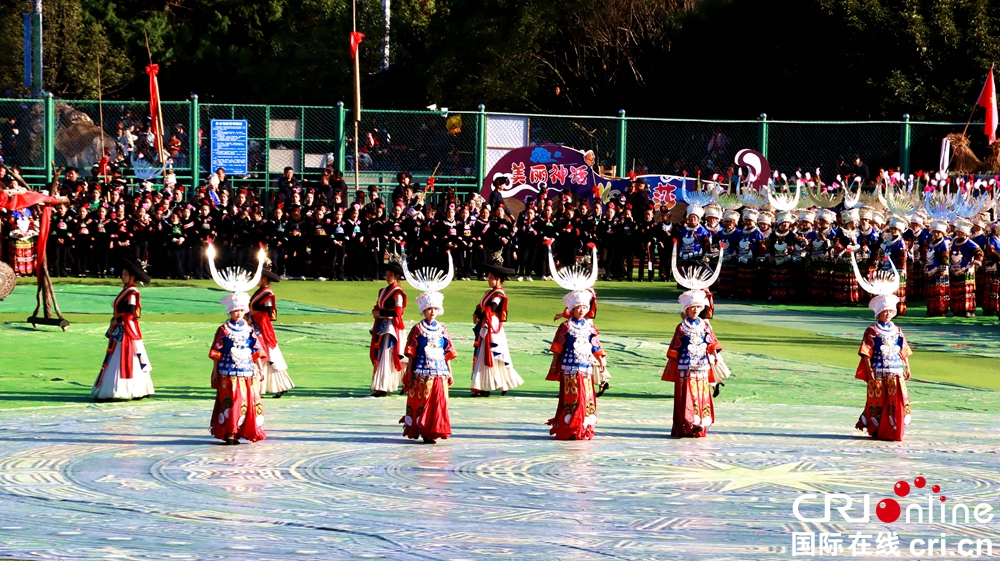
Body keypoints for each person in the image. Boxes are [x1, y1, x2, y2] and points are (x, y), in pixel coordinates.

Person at [207, 245, 267, 445]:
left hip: (246, 371)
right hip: (227, 372)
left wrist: (259, 368)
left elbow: (256, 349)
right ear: (230, 312)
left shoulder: (249, 330)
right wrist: (215, 370)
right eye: (235, 311)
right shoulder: (223, 330)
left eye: (241, 310)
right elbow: (217, 352)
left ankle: (241, 430)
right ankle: (229, 432)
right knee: (230, 401)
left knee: (245, 402)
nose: (239, 314)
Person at [852, 253, 912, 442]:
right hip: (878, 369)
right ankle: (878, 428)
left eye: (889, 312)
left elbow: (903, 348)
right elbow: (866, 352)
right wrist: (869, 370)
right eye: (884, 312)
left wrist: (907, 366)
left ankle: (894, 428)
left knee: (896, 400)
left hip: (895, 369)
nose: (887, 315)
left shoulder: (897, 329)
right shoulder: (872, 330)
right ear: (878, 313)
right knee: (877, 400)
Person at [399, 255, 457, 444]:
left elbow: (446, 353)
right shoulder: (417, 329)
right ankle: (423, 429)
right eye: (429, 308)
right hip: (422, 373)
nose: (432, 311)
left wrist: (450, 372)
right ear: (423, 310)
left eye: (435, 309)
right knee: (422, 403)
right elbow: (412, 353)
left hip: (439, 372)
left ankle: (434, 430)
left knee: (438, 404)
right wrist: (409, 372)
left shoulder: (442, 329)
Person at [661, 289, 725, 438]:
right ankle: (689, 423)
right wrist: (672, 364)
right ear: (687, 309)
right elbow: (675, 348)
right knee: (688, 394)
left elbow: (711, 342)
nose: (695, 310)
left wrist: (715, 356)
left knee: (701, 393)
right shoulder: (682, 327)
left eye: (698, 307)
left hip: (702, 365)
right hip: (686, 366)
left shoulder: (705, 325)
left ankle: (700, 424)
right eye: (692, 307)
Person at [92, 259, 155, 401]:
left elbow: (131, 312)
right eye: (122, 274)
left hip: (127, 329)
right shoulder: (126, 290)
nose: (122, 276)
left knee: (128, 358)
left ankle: (125, 389)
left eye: (125, 274)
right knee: (124, 358)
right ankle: (135, 388)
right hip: (122, 328)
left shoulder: (132, 293)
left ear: (132, 277)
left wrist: (118, 320)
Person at [470, 264, 524, 397]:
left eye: (491, 278)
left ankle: (484, 387)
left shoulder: (499, 294)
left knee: (490, 353)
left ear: (498, 279)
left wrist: (481, 315)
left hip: (492, 326)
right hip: (486, 323)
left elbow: (492, 307)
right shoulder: (489, 292)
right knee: (488, 354)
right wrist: (476, 313)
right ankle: (496, 384)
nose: (488, 280)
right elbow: (481, 305)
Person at [251, 268, 294, 398]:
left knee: (267, 354)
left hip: (263, 326)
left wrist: (255, 312)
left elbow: (270, 312)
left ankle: (279, 385)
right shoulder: (260, 292)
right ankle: (265, 386)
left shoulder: (267, 293)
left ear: (264, 279)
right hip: (256, 324)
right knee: (261, 355)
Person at [370, 261, 408, 397]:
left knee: (389, 353)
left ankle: (387, 385)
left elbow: (399, 312)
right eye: (386, 275)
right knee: (382, 354)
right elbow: (378, 305)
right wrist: (375, 311)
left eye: (390, 275)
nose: (387, 277)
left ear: (396, 276)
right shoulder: (382, 291)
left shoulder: (398, 293)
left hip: (392, 327)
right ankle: (383, 384)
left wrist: (380, 313)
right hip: (382, 325)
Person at [949, 218, 984, 318]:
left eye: (961, 232)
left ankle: (967, 310)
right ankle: (957, 309)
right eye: (958, 232)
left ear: (965, 233)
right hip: (955, 269)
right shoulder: (954, 241)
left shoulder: (970, 243)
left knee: (966, 291)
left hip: (966, 270)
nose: (959, 234)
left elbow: (979, 252)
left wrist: (976, 262)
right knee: (956, 290)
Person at [924, 220, 951, 317]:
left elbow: (945, 258)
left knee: (940, 291)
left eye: (938, 232)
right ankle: (932, 309)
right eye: (934, 232)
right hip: (931, 270)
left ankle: (941, 309)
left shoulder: (943, 244)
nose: (936, 234)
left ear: (942, 233)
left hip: (940, 270)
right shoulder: (931, 243)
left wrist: (943, 268)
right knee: (931, 290)